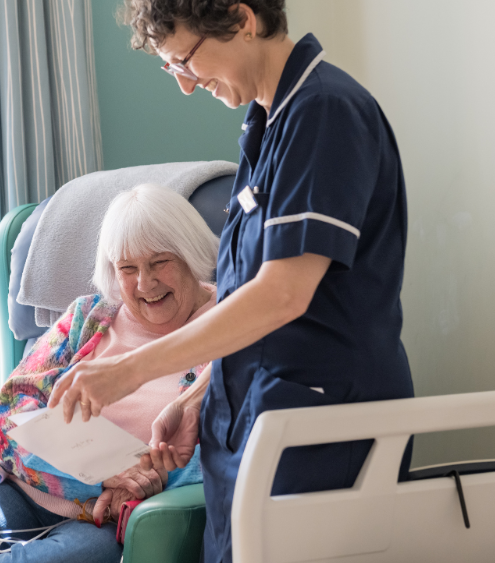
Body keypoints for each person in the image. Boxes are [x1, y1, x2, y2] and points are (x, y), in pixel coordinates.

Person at [48, 2, 415, 562]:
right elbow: (246, 297)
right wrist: (197, 396)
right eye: (174, 70)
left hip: (319, 420)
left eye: (186, 62)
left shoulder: (325, 113)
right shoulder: (268, 124)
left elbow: (284, 293)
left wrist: (130, 370)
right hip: (251, 419)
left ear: (242, 18)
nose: (188, 87)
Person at [0, 184, 219, 563]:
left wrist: (143, 483)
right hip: (20, 490)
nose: (144, 283)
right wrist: (99, 476)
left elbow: (223, 450)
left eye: (160, 262)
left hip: (104, 521)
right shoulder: (90, 316)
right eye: (127, 268)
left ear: (190, 252)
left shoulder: (234, 325)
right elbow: (10, 412)